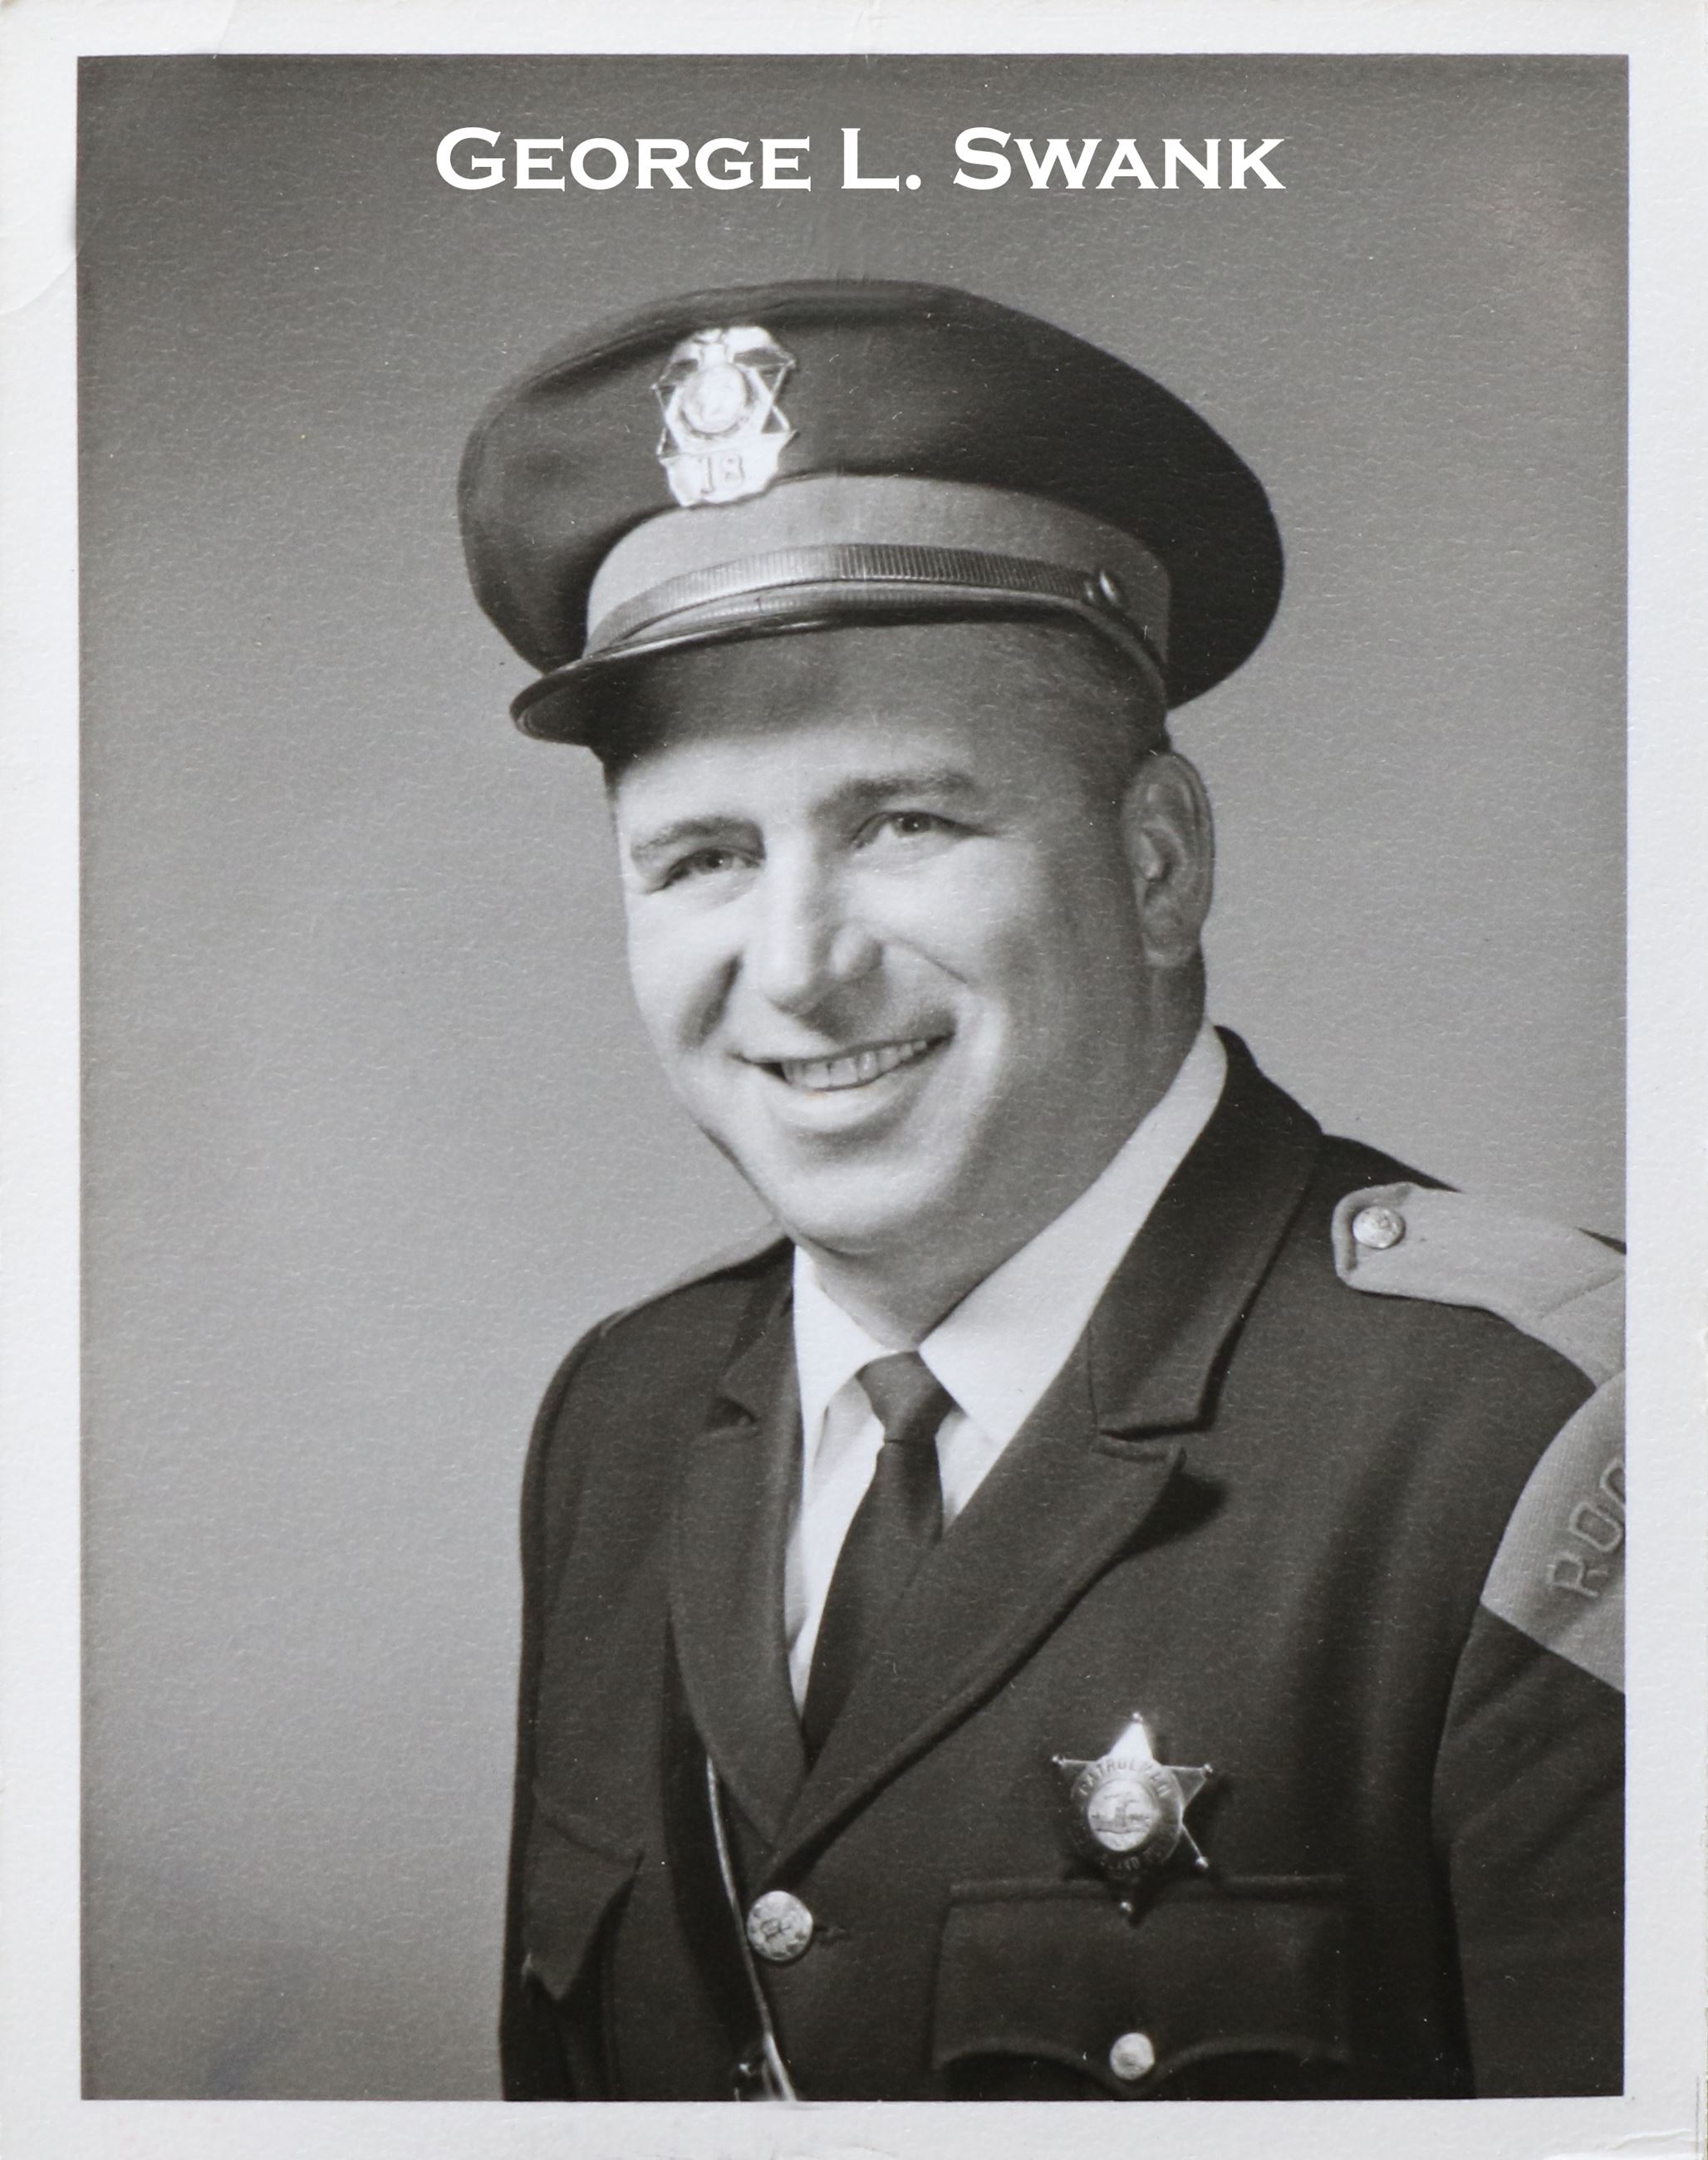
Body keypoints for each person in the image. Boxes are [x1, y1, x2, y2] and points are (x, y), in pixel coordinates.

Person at [458, 280, 1623, 2103]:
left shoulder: (1550, 1431)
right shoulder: (626, 1414)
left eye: (902, 822)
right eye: (699, 857)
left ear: (1157, 862)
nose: (797, 968)